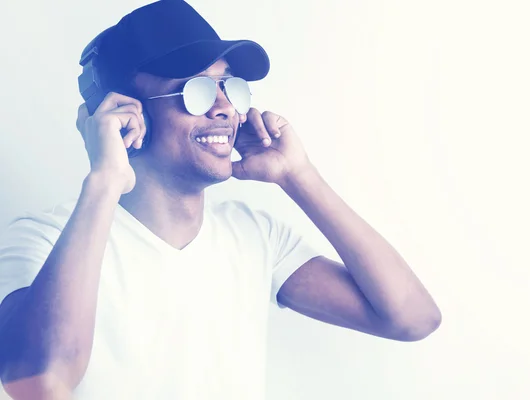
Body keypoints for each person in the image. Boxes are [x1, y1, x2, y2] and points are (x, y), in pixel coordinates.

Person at [0, 0, 441, 399]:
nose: (227, 109)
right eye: (197, 90)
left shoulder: (254, 235)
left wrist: (299, 176)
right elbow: (40, 381)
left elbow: (412, 318)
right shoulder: (45, 240)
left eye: (231, 88)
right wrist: (104, 180)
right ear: (124, 110)